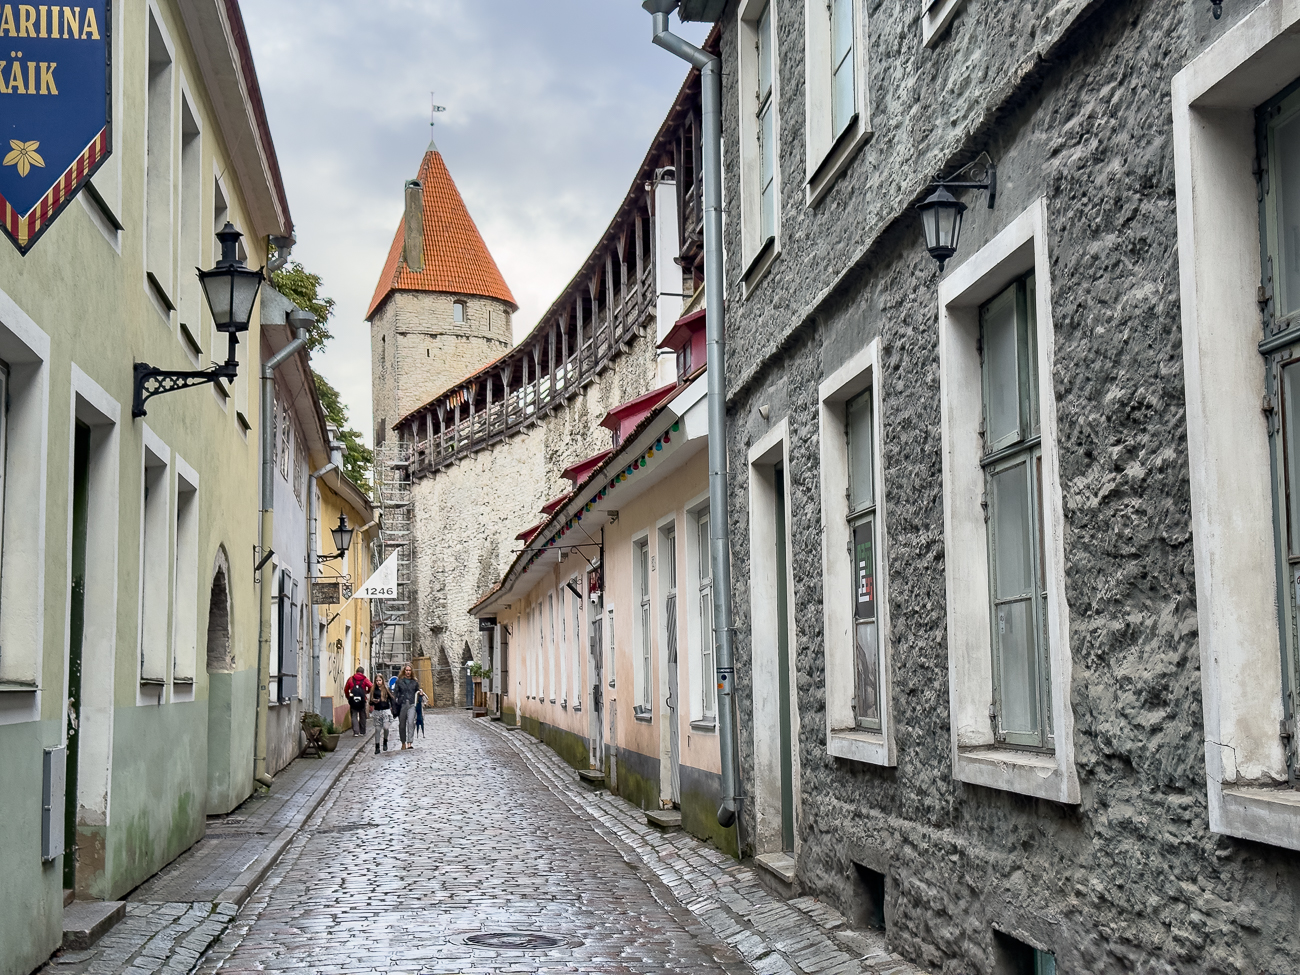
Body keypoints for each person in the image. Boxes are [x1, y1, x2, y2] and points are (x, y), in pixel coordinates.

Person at [393, 664, 422, 750]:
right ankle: (403, 742)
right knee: (402, 725)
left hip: (412, 704)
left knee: (410, 722)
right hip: (402, 704)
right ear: (404, 671)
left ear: (411, 671)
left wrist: (420, 692)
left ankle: (409, 742)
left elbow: (417, 690)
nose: (408, 672)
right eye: (406, 670)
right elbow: (395, 693)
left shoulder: (414, 681)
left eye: (409, 670)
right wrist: (395, 703)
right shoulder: (399, 681)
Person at [343, 667, 371, 736]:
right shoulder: (365, 679)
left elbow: (346, 689)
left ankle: (356, 732)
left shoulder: (351, 679)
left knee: (354, 715)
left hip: (353, 700)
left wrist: (348, 697)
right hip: (362, 700)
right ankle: (362, 732)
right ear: (363, 672)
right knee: (362, 715)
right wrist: (367, 692)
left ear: (356, 671)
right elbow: (371, 686)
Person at [369, 674, 393, 754]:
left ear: (382, 681)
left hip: (386, 711)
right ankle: (377, 746)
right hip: (377, 711)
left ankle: (385, 741)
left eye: (379, 680)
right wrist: (374, 701)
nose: (378, 682)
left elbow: (391, 698)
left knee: (386, 728)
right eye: (377, 681)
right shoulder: (373, 689)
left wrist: (392, 707)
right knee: (377, 729)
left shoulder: (386, 689)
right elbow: (370, 702)